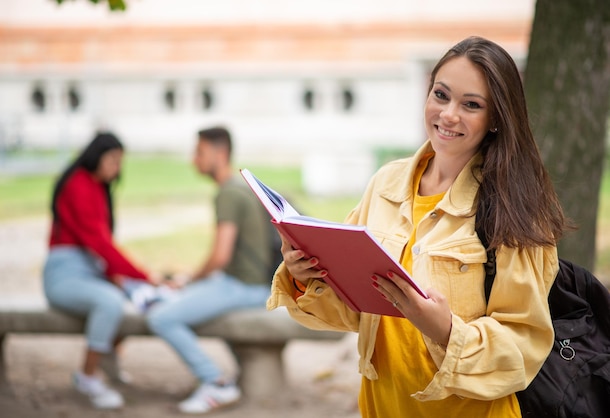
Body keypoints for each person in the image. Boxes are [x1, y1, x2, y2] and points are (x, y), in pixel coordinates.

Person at [268, 36, 570, 417]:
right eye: (441, 95)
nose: (448, 114)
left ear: (496, 118)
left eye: (471, 105)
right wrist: (304, 276)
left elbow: (523, 347)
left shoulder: (516, 205)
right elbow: (352, 313)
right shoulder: (385, 184)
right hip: (381, 406)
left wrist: (445, 330)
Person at [147, 126, 272, 414]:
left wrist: (190, 280)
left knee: (161, 318)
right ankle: (222, 378)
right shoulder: (242, 185)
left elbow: (219, 256)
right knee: (177, 301)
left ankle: (215, 382)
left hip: (245, 287)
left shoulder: (228, 192)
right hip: (251, 283)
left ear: (221, 153)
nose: (194, 160)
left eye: (199, 152)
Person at [43, 131, 160, 409]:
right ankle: (87, 376)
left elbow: (100, 248)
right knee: (110, 301)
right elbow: (99, 243)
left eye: (120, 162)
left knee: (137, 296)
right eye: (113, 160)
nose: (117, 168)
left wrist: (132, 278)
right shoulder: (78, 185)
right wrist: (145, 275)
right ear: (97, 156)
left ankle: (106, 354)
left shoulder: (97, 187)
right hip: (65, 274)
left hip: (89, 270)